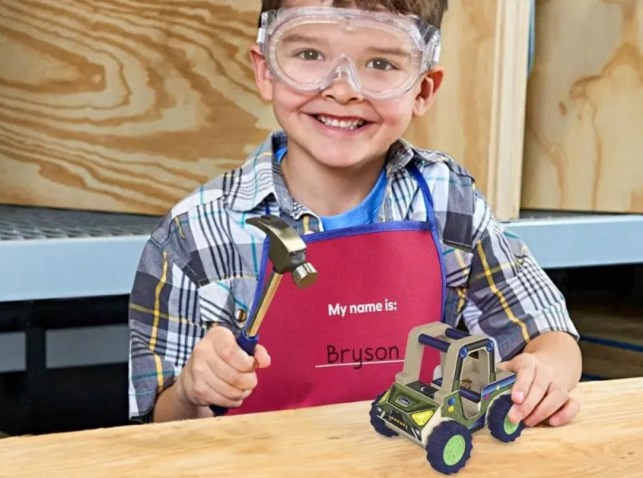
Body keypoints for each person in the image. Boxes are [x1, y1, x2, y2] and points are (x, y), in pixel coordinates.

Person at [128, 0, 582, 429]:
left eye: (381, 64)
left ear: (423, 89)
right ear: (266, 71)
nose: (343, 89)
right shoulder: (193, 235)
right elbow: (157, 425)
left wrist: (543, 373)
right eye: (309, 54)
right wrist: (192, 391)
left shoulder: (449, 203)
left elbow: (551, 335)